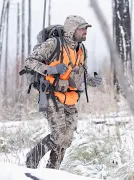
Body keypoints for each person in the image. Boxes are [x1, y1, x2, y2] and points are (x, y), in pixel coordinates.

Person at [24, 15, 102, 169]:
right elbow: (30, 61)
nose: (86, 31)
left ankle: (52, 171)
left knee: (67, 139)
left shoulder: (82, 49)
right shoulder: (53, 44)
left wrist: (91, 81)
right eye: (82, 28)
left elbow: (80, 75)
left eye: (86, 28)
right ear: (72, 29)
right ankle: (32, 157)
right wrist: (51, 69)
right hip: (51, 95)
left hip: (70, 98)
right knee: (58, 136)